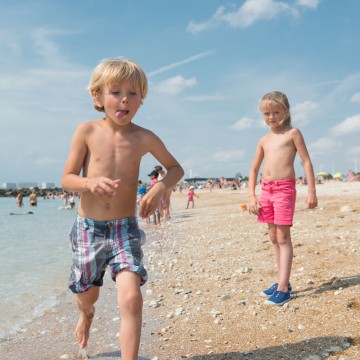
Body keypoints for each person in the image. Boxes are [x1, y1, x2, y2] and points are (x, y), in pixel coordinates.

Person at [61, 58, 184, 359]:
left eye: (133, 93)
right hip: (89, 228)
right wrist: (89, 183)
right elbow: (66, 179)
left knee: (131, 298)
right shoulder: (87, 131)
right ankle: (86, 315)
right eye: (115, 91)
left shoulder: (144, 137)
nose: (125, 99)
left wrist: (159, 187)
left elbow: (175, 168)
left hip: (124, 229)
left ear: (142, 99)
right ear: (98, 97)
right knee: (87, 296)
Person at [248, 91, 317, 306]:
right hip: (266, 190)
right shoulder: (263, 140)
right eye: (267, 113)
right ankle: (281, 281)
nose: (271, 117)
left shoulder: (293, 133)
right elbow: (253, 169)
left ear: (286, 112)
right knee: (273, 236)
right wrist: (252, 195)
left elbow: (306, 161)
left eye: (276, 112)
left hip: (284, 189)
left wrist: (311, 190)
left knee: (283, 237)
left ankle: (284, 288)